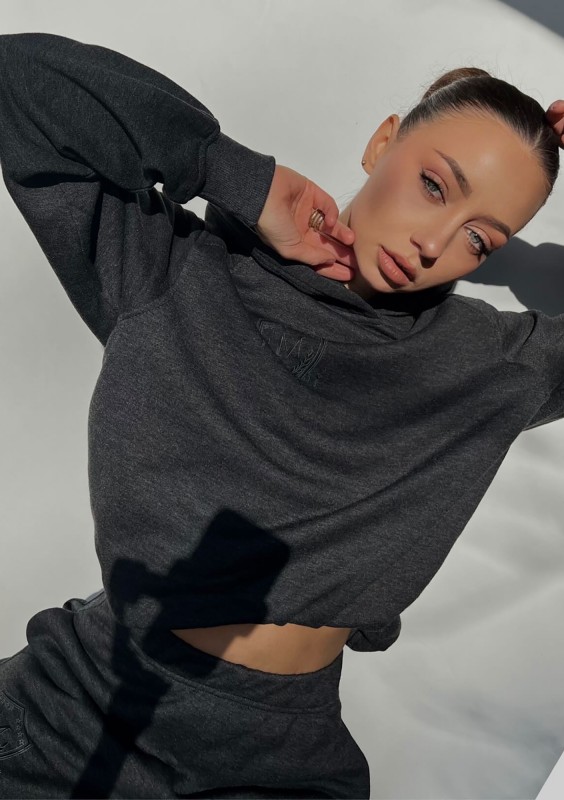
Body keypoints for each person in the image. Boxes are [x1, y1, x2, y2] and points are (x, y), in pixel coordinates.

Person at [1, 31, 564, 800]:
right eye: (435, 185)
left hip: (278, 763)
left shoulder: (488, 366)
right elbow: (18, 80)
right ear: (383, 142)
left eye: (479, 239)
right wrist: (235, 174)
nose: (435, 243)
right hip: (73, 709)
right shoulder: (180, 267)